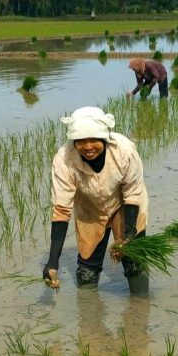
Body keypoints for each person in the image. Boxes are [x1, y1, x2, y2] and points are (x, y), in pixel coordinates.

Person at [43, 106, 149, 294]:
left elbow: (132, 193)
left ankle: (140, 307)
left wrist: (130, 232)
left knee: (135, 261)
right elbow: (61, 210)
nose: (88, 147)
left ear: (104, 139)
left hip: (124, 206)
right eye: (81, 141)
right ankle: (88, 310)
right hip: (89, 210)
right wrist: (53, 262)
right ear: (74, 141)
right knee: (87, 270)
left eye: (94, 140)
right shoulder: (63, 160)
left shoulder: (124, 151)